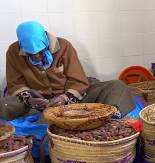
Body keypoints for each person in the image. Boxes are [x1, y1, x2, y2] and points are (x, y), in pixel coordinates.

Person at [0, 21, 135, 120]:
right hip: (37, 102)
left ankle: (111, 114)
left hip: (70, 96)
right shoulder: (13, 52)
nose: (36, 56)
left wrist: (64, 97)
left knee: (117, 86)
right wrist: (29, 99)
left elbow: (78, 80)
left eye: (40, 52)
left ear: (45, 42)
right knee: (4, 104)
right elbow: (15, 83)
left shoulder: (64, 46)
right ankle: (44, 113)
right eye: (30, 54)